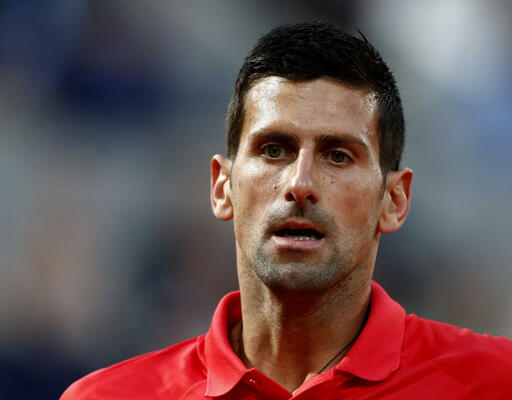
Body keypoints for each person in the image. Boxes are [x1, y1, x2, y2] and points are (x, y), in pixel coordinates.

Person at [60, 22, 512, 399]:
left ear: (394, 201)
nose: (300, 184)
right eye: (274, 149)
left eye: (338, 156)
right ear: (222, 187)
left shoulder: (495, 382)